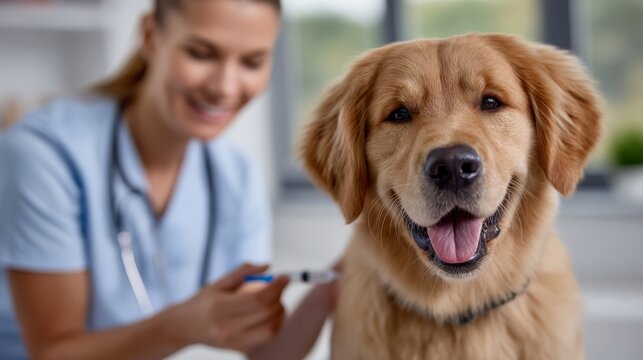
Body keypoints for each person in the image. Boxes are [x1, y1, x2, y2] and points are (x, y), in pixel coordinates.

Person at [0, 0, 336, 359]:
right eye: (201, 53)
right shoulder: (44, 156)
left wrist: (331, 290)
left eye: (252, 62)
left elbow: (259, 351)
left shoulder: (235, 177)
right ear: (150, 37)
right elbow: (53, 353)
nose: (224, 86)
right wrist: (181, 326)